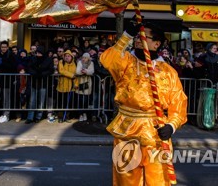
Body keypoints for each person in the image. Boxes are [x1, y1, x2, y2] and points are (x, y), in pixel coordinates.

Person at [100, 20, 187, 186]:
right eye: (137, 36)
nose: (139, 39)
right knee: (126, 180)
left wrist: (172, 126)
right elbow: (107, 60)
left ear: (156, 44)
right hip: (127, 129)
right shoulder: (125, 62)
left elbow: (179, 103)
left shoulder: (168, 71)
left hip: (156, 132)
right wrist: (126, 35)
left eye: (143, 36)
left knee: (159, 181)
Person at [74, 52, 94, 121]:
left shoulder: (91, 63)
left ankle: (84, 113)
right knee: (80, 100)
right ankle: (80, 114)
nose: (83, 59)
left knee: (85, 100)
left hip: (87, 83)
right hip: (80, 82)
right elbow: (77, 71)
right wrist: (84, 71)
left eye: (85, 58)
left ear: (88, 58)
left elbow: (92, 71)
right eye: (83, 57)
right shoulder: (79, 62)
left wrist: (85, 71)